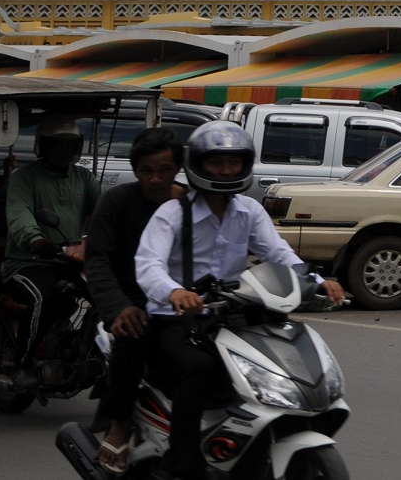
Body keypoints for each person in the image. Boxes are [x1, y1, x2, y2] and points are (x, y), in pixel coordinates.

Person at [135, 121, 346, 480]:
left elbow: (279, 254)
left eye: (234, 162)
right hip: (175, 319)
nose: (226, 170)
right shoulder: (173, 213)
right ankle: (180, 464)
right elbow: (148, 264)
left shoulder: (249, 211)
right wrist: (174, 291)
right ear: (198, 164)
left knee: (279, 358)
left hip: (230, 316)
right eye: (217, 162)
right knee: (201, 369)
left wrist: (318, 281)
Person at [82, 127, 183, 476]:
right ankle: (120, 423)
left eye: (165, 170)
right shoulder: (116, 202)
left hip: (183, 300)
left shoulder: (191, 204)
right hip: (131, 300)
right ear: (135, 170)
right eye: (147, 170)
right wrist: (118, 306)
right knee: (134, 332)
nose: (156, 179)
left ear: (177, 169)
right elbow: (97, 260)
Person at [2, 117, 102, 373]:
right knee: (43, 298)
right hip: (29, 261)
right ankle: (23, 365)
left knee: (108, 293)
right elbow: (20, 213)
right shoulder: (24, 178)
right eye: (58, 144)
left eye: (70, 145)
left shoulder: (83, 177)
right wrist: (36, 239)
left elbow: (104, 213)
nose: (64, 151)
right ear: (43, 145)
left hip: (70, 260)